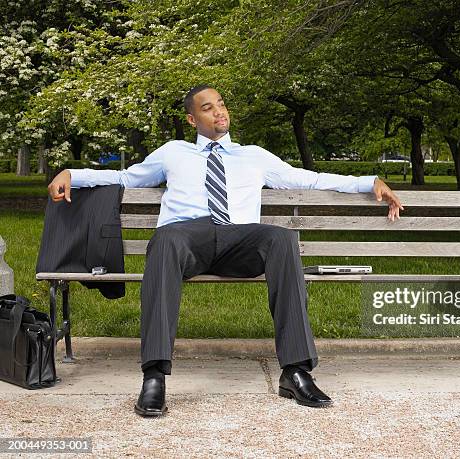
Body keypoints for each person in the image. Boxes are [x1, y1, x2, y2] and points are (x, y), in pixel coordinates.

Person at [47, 84, 403, 416]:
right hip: (187, 239)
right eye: (207, 108)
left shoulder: (253, 156)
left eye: (221, 105)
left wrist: (368, 181)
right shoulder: (173, 153)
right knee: (167, 239)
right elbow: (127, 177)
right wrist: (71, 174)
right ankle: (154, 376)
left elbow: (307, 178)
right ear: (192, 119)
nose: (218, 112)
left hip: (238, 240)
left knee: (280, 238)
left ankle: (295, 373)